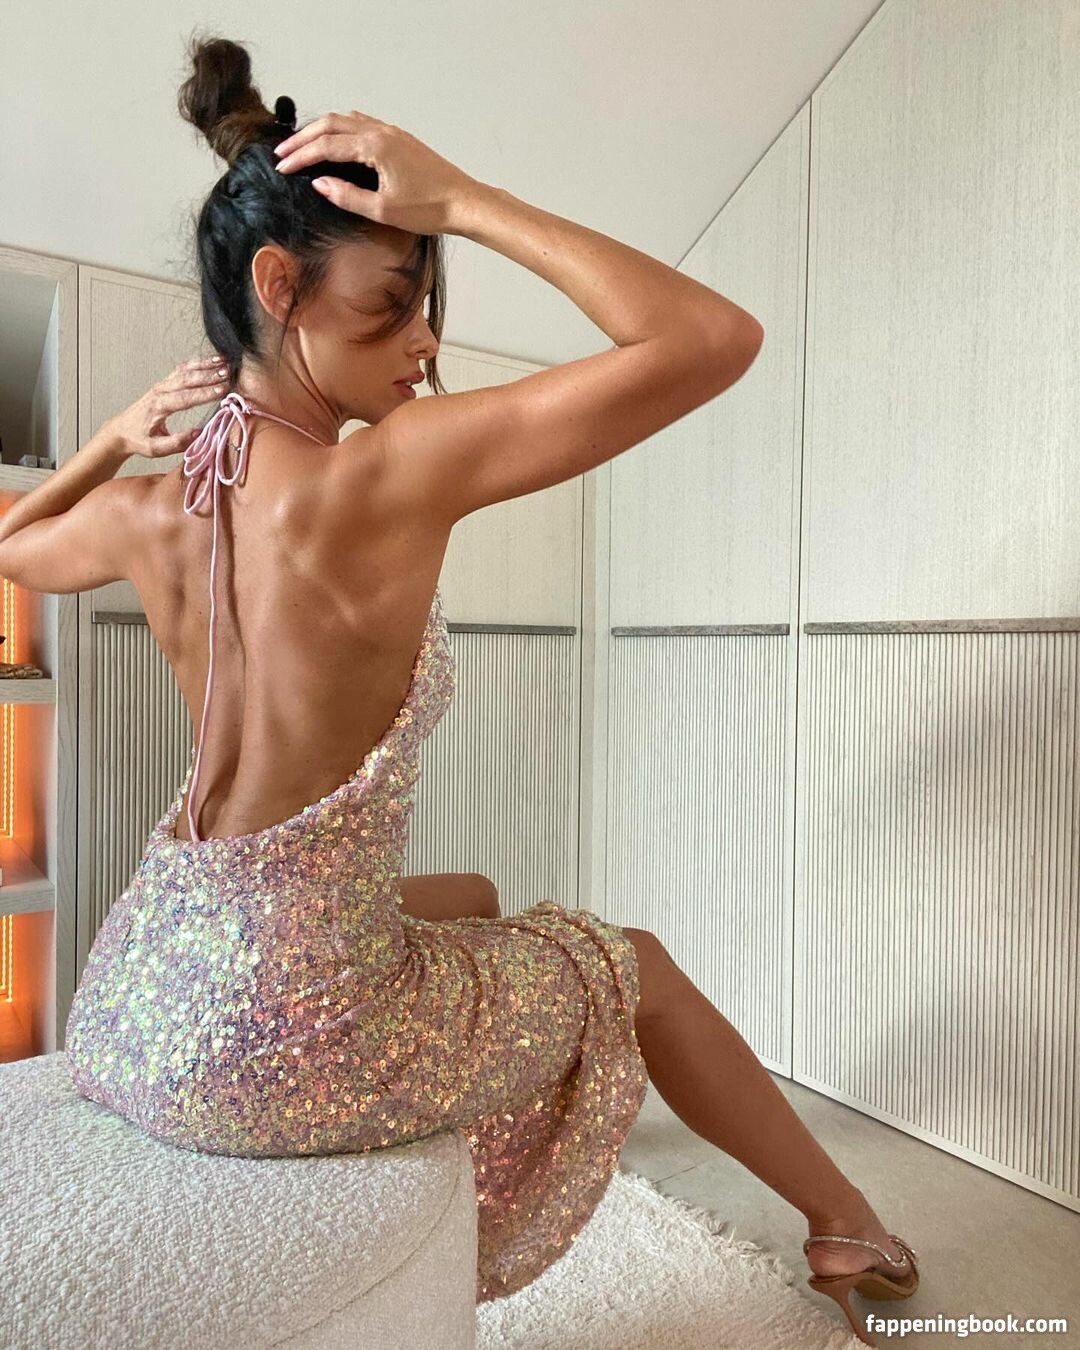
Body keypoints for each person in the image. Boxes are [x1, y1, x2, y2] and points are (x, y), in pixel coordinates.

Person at [64, 33, 917, 1340]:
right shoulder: (389, 468)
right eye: (392, 302)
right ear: (280, 285)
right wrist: (461, 198)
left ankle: (561, 1069)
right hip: (274, 1046)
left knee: (468, 897)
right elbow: (711, 337)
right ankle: (845, 1221)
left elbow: (10, 545)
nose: (424, 343)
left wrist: (107, 444)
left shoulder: (157, 502)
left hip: (137, 995)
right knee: (635, 966)